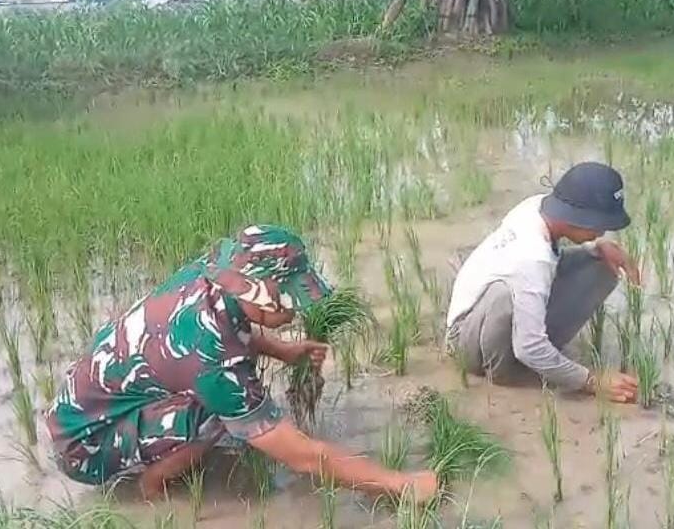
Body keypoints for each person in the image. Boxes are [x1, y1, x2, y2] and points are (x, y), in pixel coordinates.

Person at [47, 225, 437, 502]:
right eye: (288, 300)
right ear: (258, 290)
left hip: (87, 408)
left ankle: (159, 451)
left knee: (221, 398)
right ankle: (153, 490)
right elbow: (301, 456)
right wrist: (400, 483)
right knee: (215, 415)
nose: (293, 312)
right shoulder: (213, 359)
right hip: (85, 446)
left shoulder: (208, 280)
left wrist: (284, 350)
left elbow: (230, 329)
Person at [445, 162, 641, 402]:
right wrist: (591, 380)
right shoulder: (532, 257)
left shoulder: (537, 207)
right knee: (507, 299)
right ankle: (507, 372)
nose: (601, 233)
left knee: (601, 266)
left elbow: (549, 263)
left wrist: (595, 249)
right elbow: (529, 347)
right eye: (598, 225)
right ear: (577, 217)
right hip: (465, 339)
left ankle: (541, 359)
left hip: (494, 311)